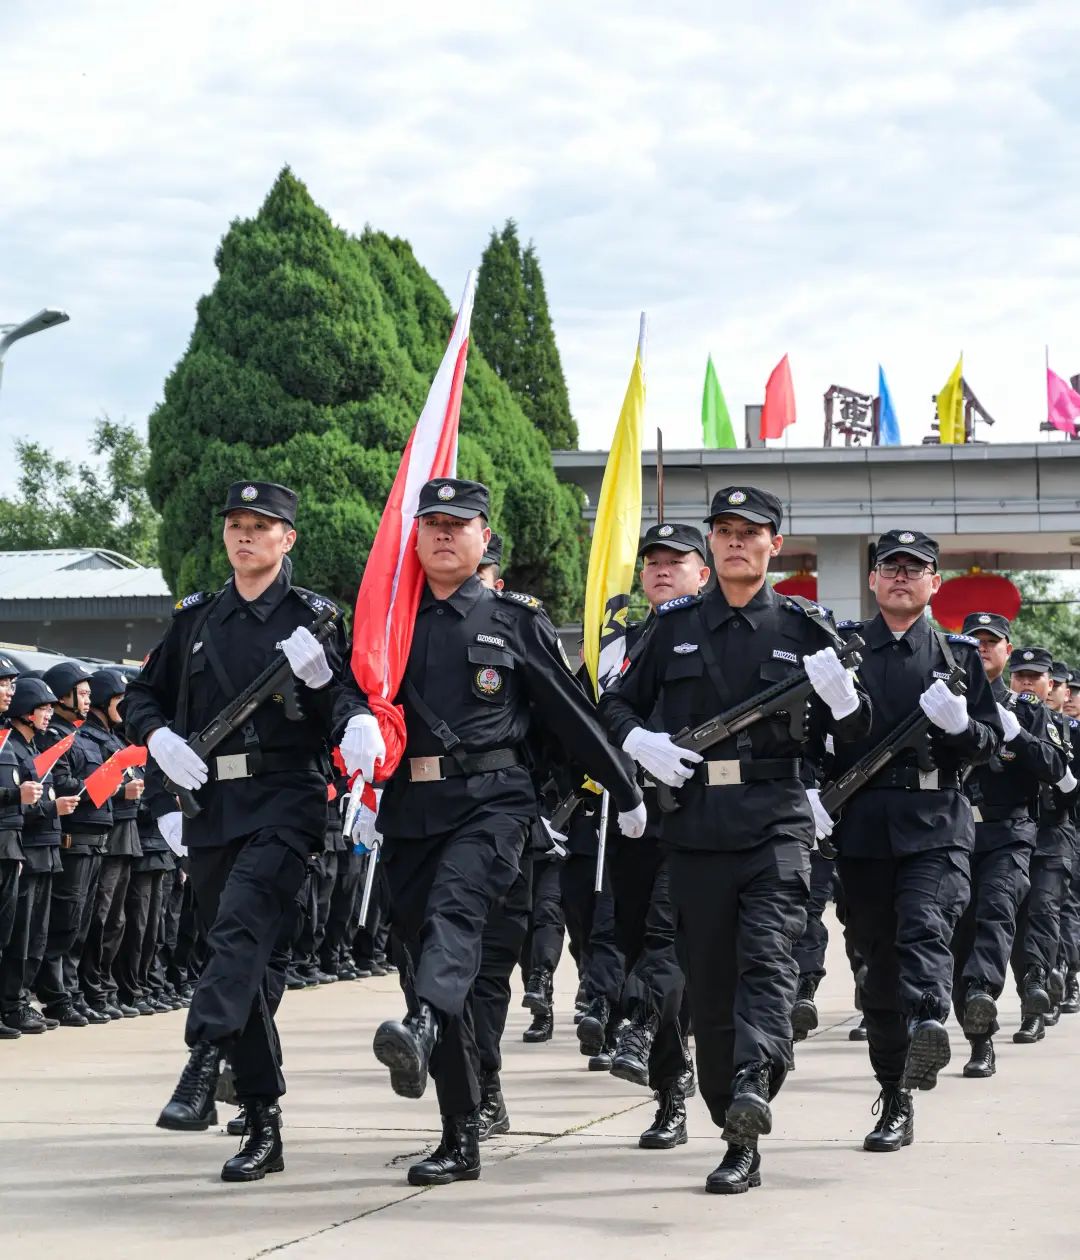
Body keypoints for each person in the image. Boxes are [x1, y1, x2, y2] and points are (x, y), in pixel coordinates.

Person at [356, 478, 645, 1188]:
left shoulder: (513, 620)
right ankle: (460, 1133)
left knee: (454, 916)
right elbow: (349, 697)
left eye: (458, 524)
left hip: (492, 804)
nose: (443, 534)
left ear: (483, 537)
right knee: (426, 958)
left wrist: (625, 786)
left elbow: (568, 715)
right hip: (409, 809)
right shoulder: (387, 622)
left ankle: (423, 1023)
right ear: (413, 537)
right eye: (432, 523)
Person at [601, 485, 871, 1194]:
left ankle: (755, 1081)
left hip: (775, 821)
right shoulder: (673, 627)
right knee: (712, 983)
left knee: (768, 958)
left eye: (750, 533)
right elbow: (616, 701)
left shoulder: (806, 628)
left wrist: (845, 701)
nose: (735, 543)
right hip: (694, 826)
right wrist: (639, 741)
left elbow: (854, 732)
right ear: (713, 542)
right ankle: (733, 1114)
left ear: (774, 545)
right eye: (724, 531)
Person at [123, 480, 365, 1184]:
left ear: (288, 538)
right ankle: (262, 1122)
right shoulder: (197, 617)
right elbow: (143, 697)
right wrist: (158, 742)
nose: (245, 536)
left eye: (261, 526)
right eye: (236, 524)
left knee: (238, 928)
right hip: (212, 805)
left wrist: (331, 695)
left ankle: (203, 1058)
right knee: (241, 958)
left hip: (285, 800)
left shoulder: (315, 619)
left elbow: (347, 701)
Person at [827, 530, 1000, 1155]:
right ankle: (895, 1091)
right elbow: (813, 741)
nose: (902, 576)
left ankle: (930, 1014)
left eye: (915, 568)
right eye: (890, 567)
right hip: (864, 825)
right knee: (874, 964)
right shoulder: (843, 652)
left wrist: (962, 728)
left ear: (935, 583)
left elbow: (990, 744)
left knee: (925, 924)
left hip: (935, 821)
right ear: (873, 579)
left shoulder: (958, 657)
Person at [606, 523, 709, 1151]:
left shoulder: (723, 632)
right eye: (653, 562)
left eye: (677, 561)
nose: (662, 570)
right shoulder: (632, 640)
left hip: (703, 818)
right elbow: (606, 714)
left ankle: (643, 1028)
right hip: (637, 817)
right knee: (636, 945)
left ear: (703, 572)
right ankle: (671, 1083)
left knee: (663, 940)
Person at [950, 623, 1066, 1079]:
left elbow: (1055, 766)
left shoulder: (1025, 709)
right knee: (959, 936)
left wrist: (1019, 736)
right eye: (973, 642)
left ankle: (984, 993)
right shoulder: (945, 696)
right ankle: (979, 1036)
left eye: (990, 643)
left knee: (997, 910)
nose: (981, 649)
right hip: (953, 831)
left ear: (1006, 650)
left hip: (1009, 832)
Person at [1, 675, 81, 1033]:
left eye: (50, 708)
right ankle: (12, 1003)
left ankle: (19, 1001)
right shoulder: (11, 747)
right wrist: (50, 808)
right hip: (26, 848)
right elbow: (19, 804)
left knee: (36, 934)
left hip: (38, 848)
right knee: (18, 935)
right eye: (42, 708)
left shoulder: (33, 750)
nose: (48, 714)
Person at [36, 660, 112, 1027]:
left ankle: (71, 992)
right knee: (64, 922)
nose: (87, 700)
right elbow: (60, 782)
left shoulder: (83, 737)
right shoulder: (55, 737)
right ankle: (56, 997)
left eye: (88, 694)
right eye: (80, 693)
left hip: (95, 838)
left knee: (81, 924)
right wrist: (101, 782)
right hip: (73, 838)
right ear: (62, 695)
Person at [1010, 658, 1078, 1041]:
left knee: (1044, 911)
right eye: (1020, 676)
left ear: (1050, 684)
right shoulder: (997, 718)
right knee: (1017, 923)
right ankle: (1032, 992)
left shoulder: (1067, 730)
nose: (1027, 683)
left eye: (1034, 677)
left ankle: (1036, 1004)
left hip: (1053, 835)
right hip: (1008, 833)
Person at [80, 669, 146, 1019]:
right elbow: (89, 788)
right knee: (101, 916)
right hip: (109, 833)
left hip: (125, 833)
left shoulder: (116, 739)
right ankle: (93, 989)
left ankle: (105, 987)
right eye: (120, 700)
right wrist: (123, 791)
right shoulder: (89, 738)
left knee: (118, 919)